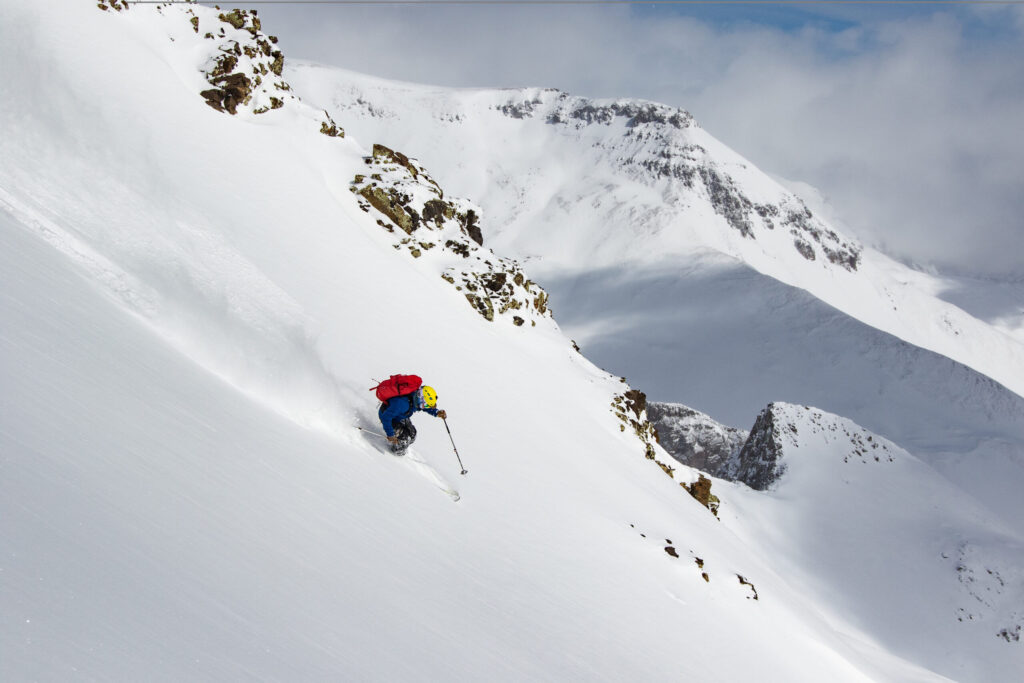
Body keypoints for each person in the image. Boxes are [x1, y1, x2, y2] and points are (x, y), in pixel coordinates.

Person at [379, 385, 447, 455]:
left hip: (401, 415)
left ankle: (402, 446)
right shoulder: (402, 404)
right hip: (389, 418)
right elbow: (386, 417)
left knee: (412, 433)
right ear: (421, 398)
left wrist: (436, 412)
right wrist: (390, 434)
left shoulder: (415, 398)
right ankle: (395, 452)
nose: (425, 407)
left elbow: (423, 406)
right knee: (404, 438)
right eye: (426, 405)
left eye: (427, 405)